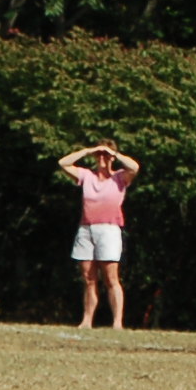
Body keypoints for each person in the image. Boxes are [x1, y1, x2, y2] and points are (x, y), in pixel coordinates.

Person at [59, 140, 140, 329]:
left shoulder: (119, 177)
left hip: (109, 229)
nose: (102, 158)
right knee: (89, 278)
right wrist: (88, 151)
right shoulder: (87, 176)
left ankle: (117, 322)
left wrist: (114, 153)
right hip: (86, 229)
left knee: (111, 278)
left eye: (105, 155)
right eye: (99, 155)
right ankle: (87, 320)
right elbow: (63, 163)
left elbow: (135, 167)